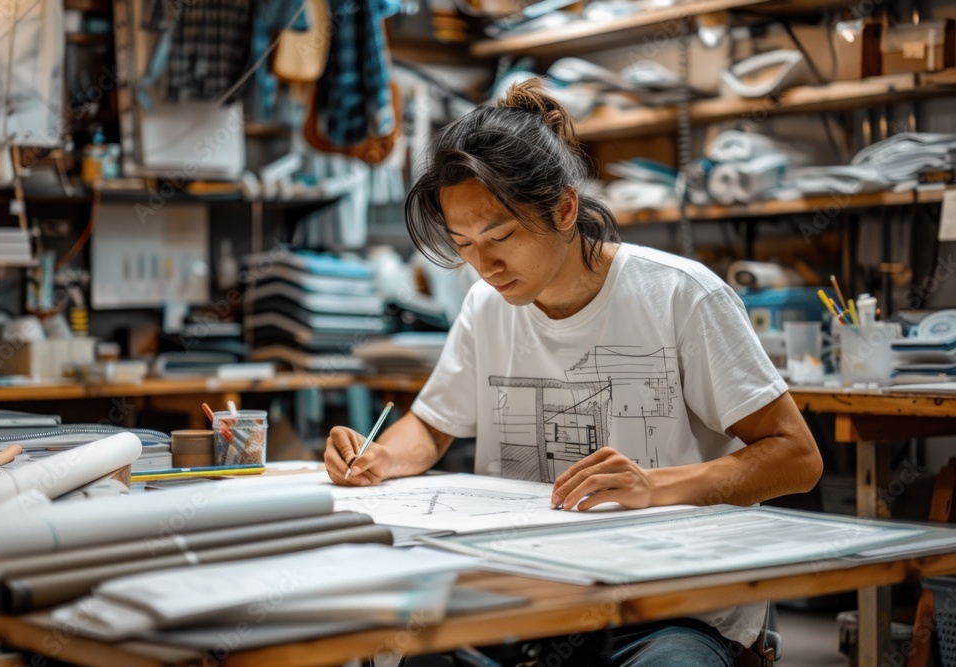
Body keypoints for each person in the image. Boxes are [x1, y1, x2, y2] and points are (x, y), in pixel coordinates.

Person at [324, 78, 823, 666]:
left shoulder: (680, 296)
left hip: (667, 608)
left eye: (501, 236)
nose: (483, 266)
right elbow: (433, 426)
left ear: (564, 209)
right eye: (463, 244)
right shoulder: (488, 306)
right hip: (523, 596)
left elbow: (797, 457)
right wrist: (380, 456)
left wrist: (657, 487)